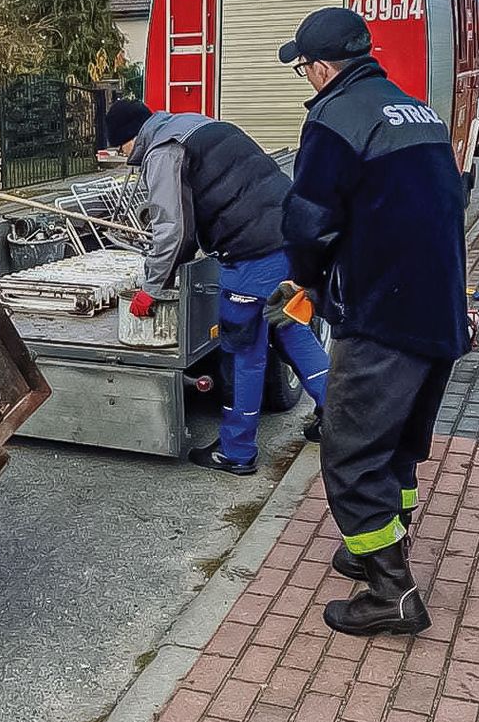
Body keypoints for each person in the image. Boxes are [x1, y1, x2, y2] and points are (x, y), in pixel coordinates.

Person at [270, 6, 470, 638]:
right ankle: (373, 547)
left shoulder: (335, 119)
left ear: (323, 67)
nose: (306, 80)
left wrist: (307, 277)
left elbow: (309, 223)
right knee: (400, 444)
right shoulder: (422, 113)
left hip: (381, 316)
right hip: (437, 311)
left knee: (351, 449)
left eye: (303, 68)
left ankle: (392, 592)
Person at [103, 100, 330, 476]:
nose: (125, 156)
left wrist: (152, 287)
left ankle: (236, 452)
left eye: (121, 148)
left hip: (252, 254)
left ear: (129, 138)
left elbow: (174, 230)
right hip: (291, 240)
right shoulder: (194, 125)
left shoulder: (162, 151)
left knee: (242, 350)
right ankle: (339, 417)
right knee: (287, 327)